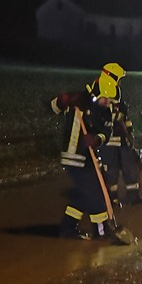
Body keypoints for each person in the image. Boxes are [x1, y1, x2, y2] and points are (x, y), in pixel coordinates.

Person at [51, 63, 122, 239]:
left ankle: (68, 228)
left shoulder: (106, 111)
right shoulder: (79, 98)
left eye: (109, 100)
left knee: (86, 194)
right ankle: (101, 231)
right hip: (73, 156)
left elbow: (106, 132)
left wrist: (96, 139)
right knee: (95, 194)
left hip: (89, 156)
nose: (107, 102)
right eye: (105, 99)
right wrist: (63, 100)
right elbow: (54, 107)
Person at [98, 84, 142, 206]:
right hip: (109, 144)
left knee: (131, 170)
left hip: (124, 143)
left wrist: (129, 134)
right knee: (112, 172)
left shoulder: (121, 106)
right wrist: (115, 115)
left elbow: (126, 122)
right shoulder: (101, 106)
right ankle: (112, 199)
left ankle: (133, 197)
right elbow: (102, 122)